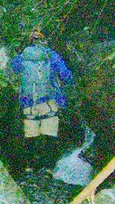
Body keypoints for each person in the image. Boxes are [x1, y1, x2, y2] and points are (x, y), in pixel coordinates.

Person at [10, 29, 73, 169]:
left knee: (30, 133)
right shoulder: (51, 55)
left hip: (28, 101)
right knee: (50, 133)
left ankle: (30, 167)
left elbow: (14, 69)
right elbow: (65, 75)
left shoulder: (22, 57)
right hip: (49, 100)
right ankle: (49, 168)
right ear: (44, 41)